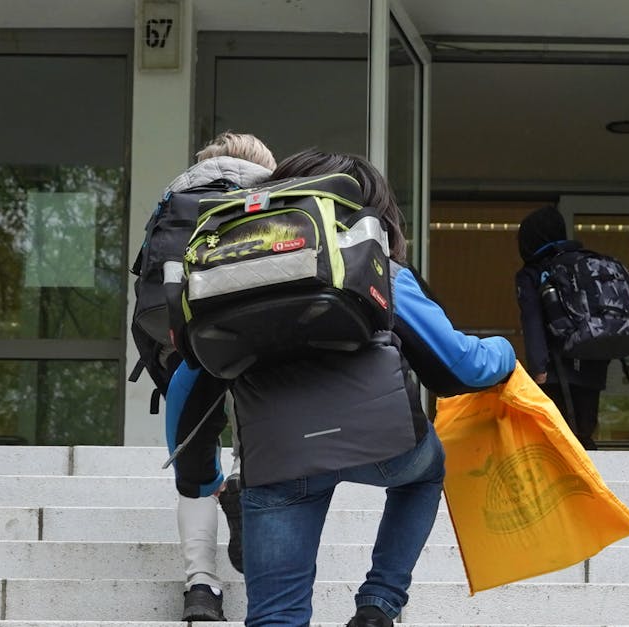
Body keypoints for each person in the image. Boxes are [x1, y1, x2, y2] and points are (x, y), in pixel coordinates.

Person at [236, 150, 516, 627]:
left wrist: (195, 472)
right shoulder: (376, 266)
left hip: (275, 452)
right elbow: (462, 365)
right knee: (426, 472)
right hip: (380, 443)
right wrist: (506, 351)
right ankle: (380, 602)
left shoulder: (239, 271)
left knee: (275, 617)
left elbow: (191, 372)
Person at [159, 132, 276, 622]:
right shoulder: (284, 199)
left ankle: (201, 588)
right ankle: (246, 488)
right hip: (268, 350)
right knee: (265, 455)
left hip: (195, 354)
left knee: (193, 474)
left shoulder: (176, 202)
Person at [514, 205, 609, 449]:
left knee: (556, 438)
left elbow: (532, 321)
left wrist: (538, 368)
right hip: (592, 364)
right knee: (584, 432)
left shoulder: (533, 273)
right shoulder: (584, 264)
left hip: (555, 370)